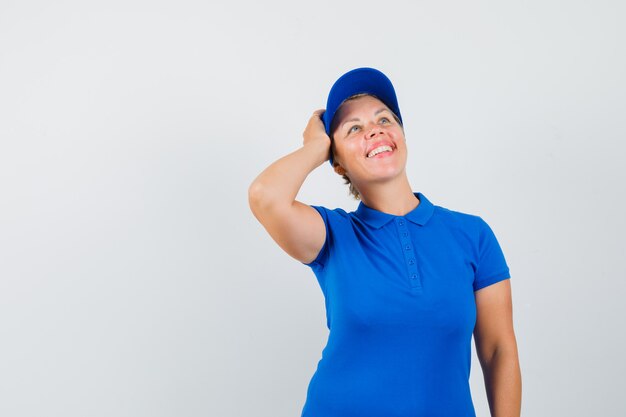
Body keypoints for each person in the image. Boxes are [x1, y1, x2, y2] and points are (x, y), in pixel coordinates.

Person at [248, 67, 522, 417]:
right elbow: (264, 196)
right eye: (354, 128)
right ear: (338, 163)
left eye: (385, 119)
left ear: (402, 136)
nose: (374, 129)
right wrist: (316, 147)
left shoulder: (472, 234)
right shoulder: (331, 234)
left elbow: (499, 350)